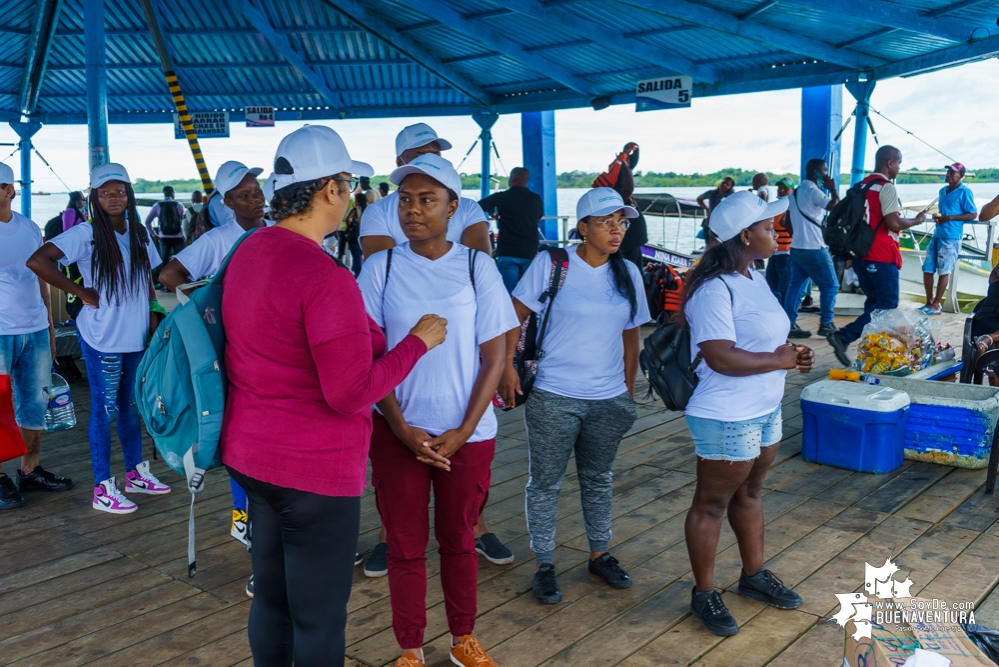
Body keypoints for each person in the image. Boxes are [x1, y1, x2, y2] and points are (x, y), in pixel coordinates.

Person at [220, 125, 446, 667]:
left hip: (252, 458)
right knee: (319, 619)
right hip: (312, 473)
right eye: (348, 183)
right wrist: (416, 344)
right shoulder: (326, 277)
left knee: (272, 598)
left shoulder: (249, 251)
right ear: (330, 190)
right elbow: (349, 394)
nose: (350, 196)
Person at [358, 154, 516, 667]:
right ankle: (410, 647)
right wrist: (402, 428)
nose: (413, 210)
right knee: (404, 546)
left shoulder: (476, 265)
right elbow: (369, 355)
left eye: (428, 200)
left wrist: (464, 428)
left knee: (458, 540)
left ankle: (463, 638)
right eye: (405, 200)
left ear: (454, 208)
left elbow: (495, 353)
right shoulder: (379, 266)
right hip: (397, 430)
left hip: (466, 433)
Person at [499, 187, 650, 606]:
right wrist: (507, 366)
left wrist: (627, 389)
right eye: (606, 222)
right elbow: (515, 314)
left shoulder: (629, 272)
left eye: (621, 222)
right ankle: (544, 563)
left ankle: (599, 553)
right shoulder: (552, 264)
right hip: (554, 394)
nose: (617, 230)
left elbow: (631, 335)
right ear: (583, 227)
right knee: (545, 483)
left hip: (608, 399)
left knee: (599, 479)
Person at [681, 190, 813, 636]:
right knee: (712, 504)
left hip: (764, 407)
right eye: (766, 226)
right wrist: (778, 361)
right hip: (726, 414)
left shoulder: (754, 277)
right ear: (744, 235)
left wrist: (793, 354)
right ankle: (704, 593)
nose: (775, 230)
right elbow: (720, 356)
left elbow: (764, 341)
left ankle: (753, 577)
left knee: (751, 494)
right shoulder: (712, 290)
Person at [27, 163, 171, 514]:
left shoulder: (138, 231)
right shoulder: (86, 234)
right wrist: (80, 291)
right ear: (94, 197)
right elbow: (38, 260)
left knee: (131, 407)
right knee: (104, 411)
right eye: (104, 192)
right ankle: (103, 488)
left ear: (129, 194)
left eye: (119, 191)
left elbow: (148, 282)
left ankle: (136, 473)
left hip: (135, 336)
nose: (113, 197)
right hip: (103, 336)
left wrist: (153, 318)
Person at [158, 161, 269, 559]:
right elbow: (170, 274)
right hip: (233, 350)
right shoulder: (219, 239)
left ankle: (270, 519)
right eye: (243, 194)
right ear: (228, 202)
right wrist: (211, 300)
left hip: (271, 348)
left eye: (256, 190)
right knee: (240, 432)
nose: (254, 197)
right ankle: (242, 518)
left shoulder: (275, 232)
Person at [0, 163, 74, 510]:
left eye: (1, 186)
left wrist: (48, 323)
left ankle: (29, 470)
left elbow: (40, 278)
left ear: (11, 190)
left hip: (34, 329)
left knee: (35, 404)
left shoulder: (29, 227)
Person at [828, 146, 926, 366]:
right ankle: (844, 336)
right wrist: (916, 221)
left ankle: (870, 352)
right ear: (890, 162)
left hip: (861, 255)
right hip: (881, 254)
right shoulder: (886, 187)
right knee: (887, 305)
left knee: (874, 304)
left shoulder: (861, 186)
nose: (899, 168)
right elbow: (893, 223)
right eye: (898, 163)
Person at [360, 123, 491, 260]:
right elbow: (383, 270)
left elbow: (479, 264)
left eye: (435, 154)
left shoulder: (469, 207)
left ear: (452, 208)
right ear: (400, 162)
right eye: (420, 155)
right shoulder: (378, 211)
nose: (429, 160)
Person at [783, 158, 841, 339]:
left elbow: (785, 221)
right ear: (816, 172)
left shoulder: (794, 193)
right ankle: (826, 323)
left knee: (795, 287)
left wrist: (798, 235)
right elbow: (834, 205)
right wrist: (831, 187)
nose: (826, 174)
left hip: (797, 248)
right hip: (814, 248)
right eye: (824, 170)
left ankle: (788, 324)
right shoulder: (812, 190)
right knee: (831, 285)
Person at [921, 163, 977, 315]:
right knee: (927, 268)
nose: (949, 174)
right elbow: (944, 211)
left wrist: (950, 218)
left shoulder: (964, 192)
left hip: (951, 236)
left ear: (961, 176)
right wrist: (937, 216)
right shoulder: (942, 191)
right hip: (938, 233)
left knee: (944, 271)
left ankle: (936, 305)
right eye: (948, 172)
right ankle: (929, 302)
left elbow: (973, 214)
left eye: (953, 172)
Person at [478, 166, 543, 292]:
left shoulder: (501, 197)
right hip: (529, 251)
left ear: (513, 179)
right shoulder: (536, 199)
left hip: (508, 250)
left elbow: (478, 206)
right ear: (526, 180)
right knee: (528, 294)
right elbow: (538, 219)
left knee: (508, 294)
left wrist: (491, 211)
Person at [145, 185, 185, 288]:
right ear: (172, 193)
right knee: (182, 260)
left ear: (164, 193)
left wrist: (154, 235)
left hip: (164, 237)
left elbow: (147, 222)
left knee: (165, 261)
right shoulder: (179, 205)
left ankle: (166, 285)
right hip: (178, 237)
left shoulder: (157, 206)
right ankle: (182, 283)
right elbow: (183, 221)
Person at [765, 177, 794, 304]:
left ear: (792, 190)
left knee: (785, 287)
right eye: (779, 188)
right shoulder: (775, 208)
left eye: (785, 188)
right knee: (772, 286)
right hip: (774, 253)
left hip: (786, 253)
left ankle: (786, 315)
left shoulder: (792, 208)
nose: (781, 190)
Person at [343, 192, 365, 276]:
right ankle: (356, 268)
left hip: (355, 235)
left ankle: (358, 274)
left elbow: (347, 218)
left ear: (358, 200)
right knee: (361, 254)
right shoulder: (367, 208)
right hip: (363, 235)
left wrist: (350, 227)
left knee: (356, 256)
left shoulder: (355, 209)